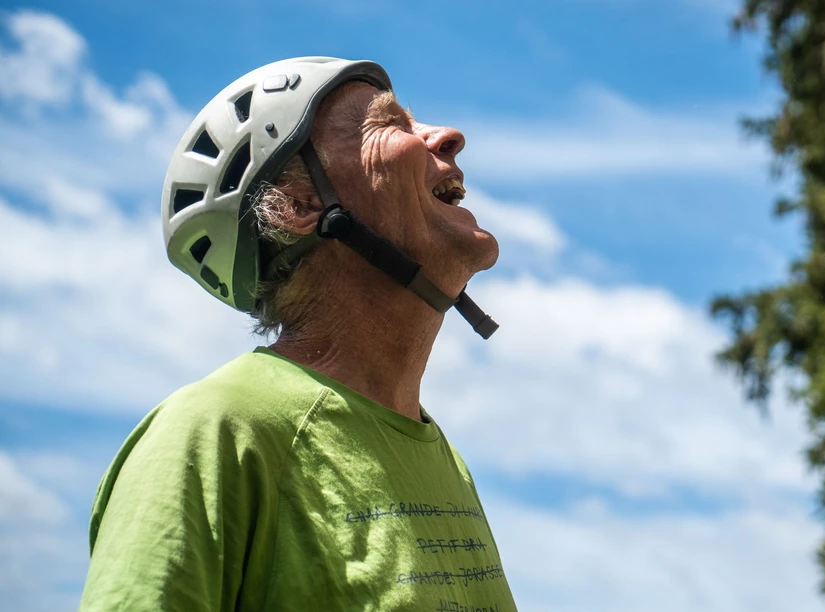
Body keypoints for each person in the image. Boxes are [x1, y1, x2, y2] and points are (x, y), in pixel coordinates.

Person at [80, 57, 516, 611]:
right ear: (299, 205)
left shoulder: (446, 462)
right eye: (390, 125)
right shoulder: (215, 433)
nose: (448, 136)